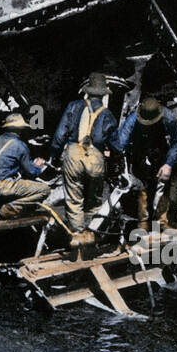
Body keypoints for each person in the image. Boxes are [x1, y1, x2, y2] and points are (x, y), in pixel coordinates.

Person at [49, 72, 118, 243]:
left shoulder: (73, 106)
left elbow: (59, 136)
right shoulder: (108, 114)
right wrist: (115, 161)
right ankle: (91, 234)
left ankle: (77, 236)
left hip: (73, 154)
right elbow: (116, 145)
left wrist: (54, 156)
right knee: (94, 201)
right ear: (103, 94)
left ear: (87, 91)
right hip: (96, 157)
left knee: (74, 200)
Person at [111, 97, 177, 233]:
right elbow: (119, 145)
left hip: (159, 150)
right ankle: (141, 221)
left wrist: (168, 164)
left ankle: (159, 223)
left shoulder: (169, 118)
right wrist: (121, 166)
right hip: (139, 150)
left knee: (162, 185)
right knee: (140, 185)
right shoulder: (132, 120)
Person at [0, 113, 51, 218]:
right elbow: (31, 172)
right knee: (45, 189)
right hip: (0, 187)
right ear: (20, 128)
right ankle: (11, 208)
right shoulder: (20, 146)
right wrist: (38, 166)